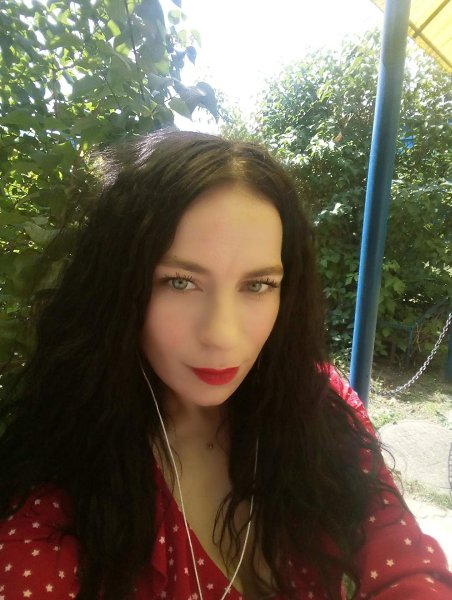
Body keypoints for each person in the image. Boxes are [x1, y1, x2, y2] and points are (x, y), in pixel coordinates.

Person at [0, 130, 450, 600]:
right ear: (117, 285)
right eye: (180, 282)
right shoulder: (58, 496)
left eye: (257, 285)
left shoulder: (316, 401)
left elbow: (404, 561)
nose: (222, 335)